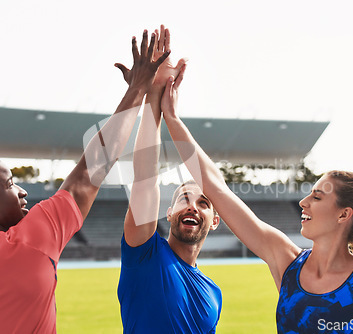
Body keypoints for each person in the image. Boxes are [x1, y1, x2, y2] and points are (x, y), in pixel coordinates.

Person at [160, 68, 353, 333]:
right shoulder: (286, 260)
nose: (303, 202)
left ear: (343, 214)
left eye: (317, 196)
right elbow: (217, 189)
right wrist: (171, 118)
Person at [0, 29, 169, 333]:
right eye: (10, 183)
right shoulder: (30, 240)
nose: (22, 190)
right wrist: (138, 88)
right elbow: (92, 168)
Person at [116, 25, 223, 334]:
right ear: (169, 213)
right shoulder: (144, 254)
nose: (192, 206)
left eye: (203, 203)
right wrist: (154, 98)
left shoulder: (213, 293)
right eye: (183, 199)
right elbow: (145, 178)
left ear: (214, 220)